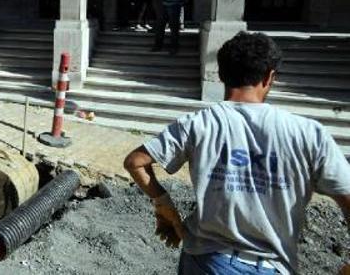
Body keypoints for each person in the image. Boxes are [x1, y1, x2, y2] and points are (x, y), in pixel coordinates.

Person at [124, 32, 350, 275]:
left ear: (221, 75)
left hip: (206, 262)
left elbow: (135, 162)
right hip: (272, 267)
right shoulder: (309, 134)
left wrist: (163, 203)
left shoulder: (199, 123)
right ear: (269, 76)